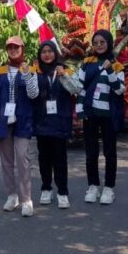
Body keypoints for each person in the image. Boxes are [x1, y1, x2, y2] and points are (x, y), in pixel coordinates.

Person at [76, 30, 126, 205]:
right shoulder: (86, 63)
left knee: (110, 152)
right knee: (91, 153)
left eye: (102, 42)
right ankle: (93, 185)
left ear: (109, 43)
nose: (98, 45)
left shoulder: (117, 65)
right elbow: (78, 87)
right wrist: (80, 110)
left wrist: (110, 70)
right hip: (90, 114)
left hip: (108, 115)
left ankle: (109, 187)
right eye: (95, 42)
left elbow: (119, 90)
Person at [33, 41, 81, 209]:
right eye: (44, 52)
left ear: (55, 53)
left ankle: (62, 191)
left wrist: (64, 76)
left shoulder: (65, 70)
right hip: (42, 121)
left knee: (60, 159)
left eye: (50, 51)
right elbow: (32, 95)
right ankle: (46, 188)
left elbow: (77, 89)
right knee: (44, 159)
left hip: (60, 121)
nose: (47, 54)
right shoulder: (37, 73)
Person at [0, 36, 38, 217]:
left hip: (23, 119)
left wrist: (27, 74)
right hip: (5, 120)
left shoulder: (30, 69)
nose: (13, 50)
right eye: (10, 48)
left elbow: (33, 94)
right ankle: (12, 195)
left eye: (17, 47)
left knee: (22, 158)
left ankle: (26, 198)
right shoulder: (0, 71)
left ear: (23, 49)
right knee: (6, 161)